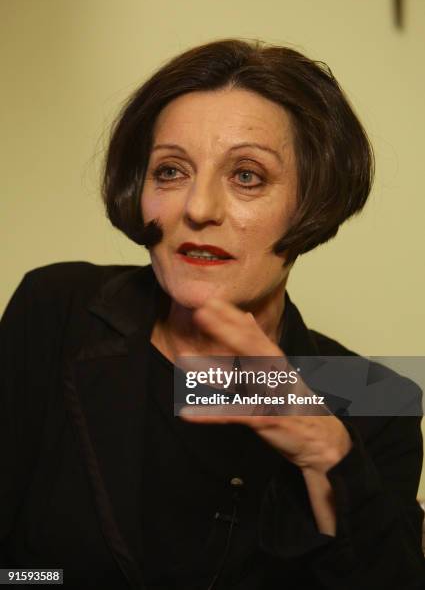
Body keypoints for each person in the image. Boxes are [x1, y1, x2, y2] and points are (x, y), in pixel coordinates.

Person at [1, 38, 424, 590]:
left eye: (247, 175)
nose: (198, 209)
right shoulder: (58, 307)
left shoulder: (373, 397)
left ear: (313, 202)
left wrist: (327, 457)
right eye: (171, 171)